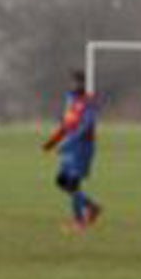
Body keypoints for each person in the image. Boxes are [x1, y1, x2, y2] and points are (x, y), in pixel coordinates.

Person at [42, 70, 103, 229]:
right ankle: (91, 207)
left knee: (73, 183)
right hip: (70, 146)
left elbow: (86, 126)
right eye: (74, 82)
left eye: (79, 82)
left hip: (82, 147)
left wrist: (70, 143)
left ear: (84, 84)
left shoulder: (88, 102)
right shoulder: (70, 99)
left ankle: (80, 220)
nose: (75, 85)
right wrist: (52, 142)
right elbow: (66, 124)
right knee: (62, 181)